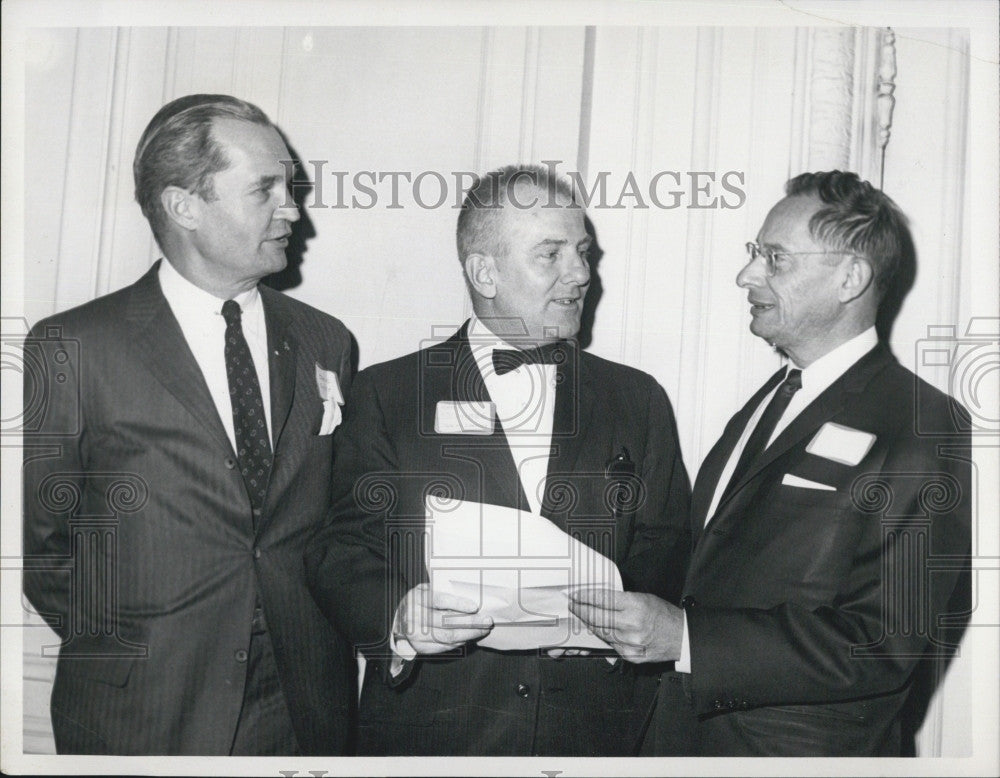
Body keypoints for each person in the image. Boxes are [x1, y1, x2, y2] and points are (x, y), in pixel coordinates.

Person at [570, 170, 972, 756]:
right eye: (754, 253)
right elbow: (712, 568)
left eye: (775, 258)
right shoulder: (773, 398)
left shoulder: (925, 426)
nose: (747, 275)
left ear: (850, 278)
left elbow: (882, 643)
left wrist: (685, 638)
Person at [305, 164, 691, 755]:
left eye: (583, 253)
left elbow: (667, 545)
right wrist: (400, 616)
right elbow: (342, 547)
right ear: (484, 271)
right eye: (551, 255)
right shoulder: (388, 395)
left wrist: (619, 622)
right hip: (434, 734)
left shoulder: (638, 399)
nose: (581, 275)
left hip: (597, 733)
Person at [22, 94, 354, 755]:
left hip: (302, 708)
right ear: (185, 207)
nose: (293, 209)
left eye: (289, 186)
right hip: (143, 712)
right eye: (266, 188)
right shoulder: (74, 348)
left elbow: (335, 522)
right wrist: (142, 645)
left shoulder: (326, 341)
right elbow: (42, 547)